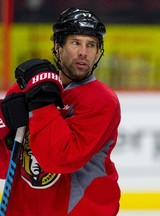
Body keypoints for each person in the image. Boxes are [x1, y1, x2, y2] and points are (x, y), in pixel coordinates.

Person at [0, 7, 121, 216]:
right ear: (58, 46)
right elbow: (4, 167)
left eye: (91, 45)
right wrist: (6, 135)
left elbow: (60, 159)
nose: (83, 52)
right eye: (76, 43)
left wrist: (42, 104)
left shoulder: (102, 101)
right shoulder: (26, 88)